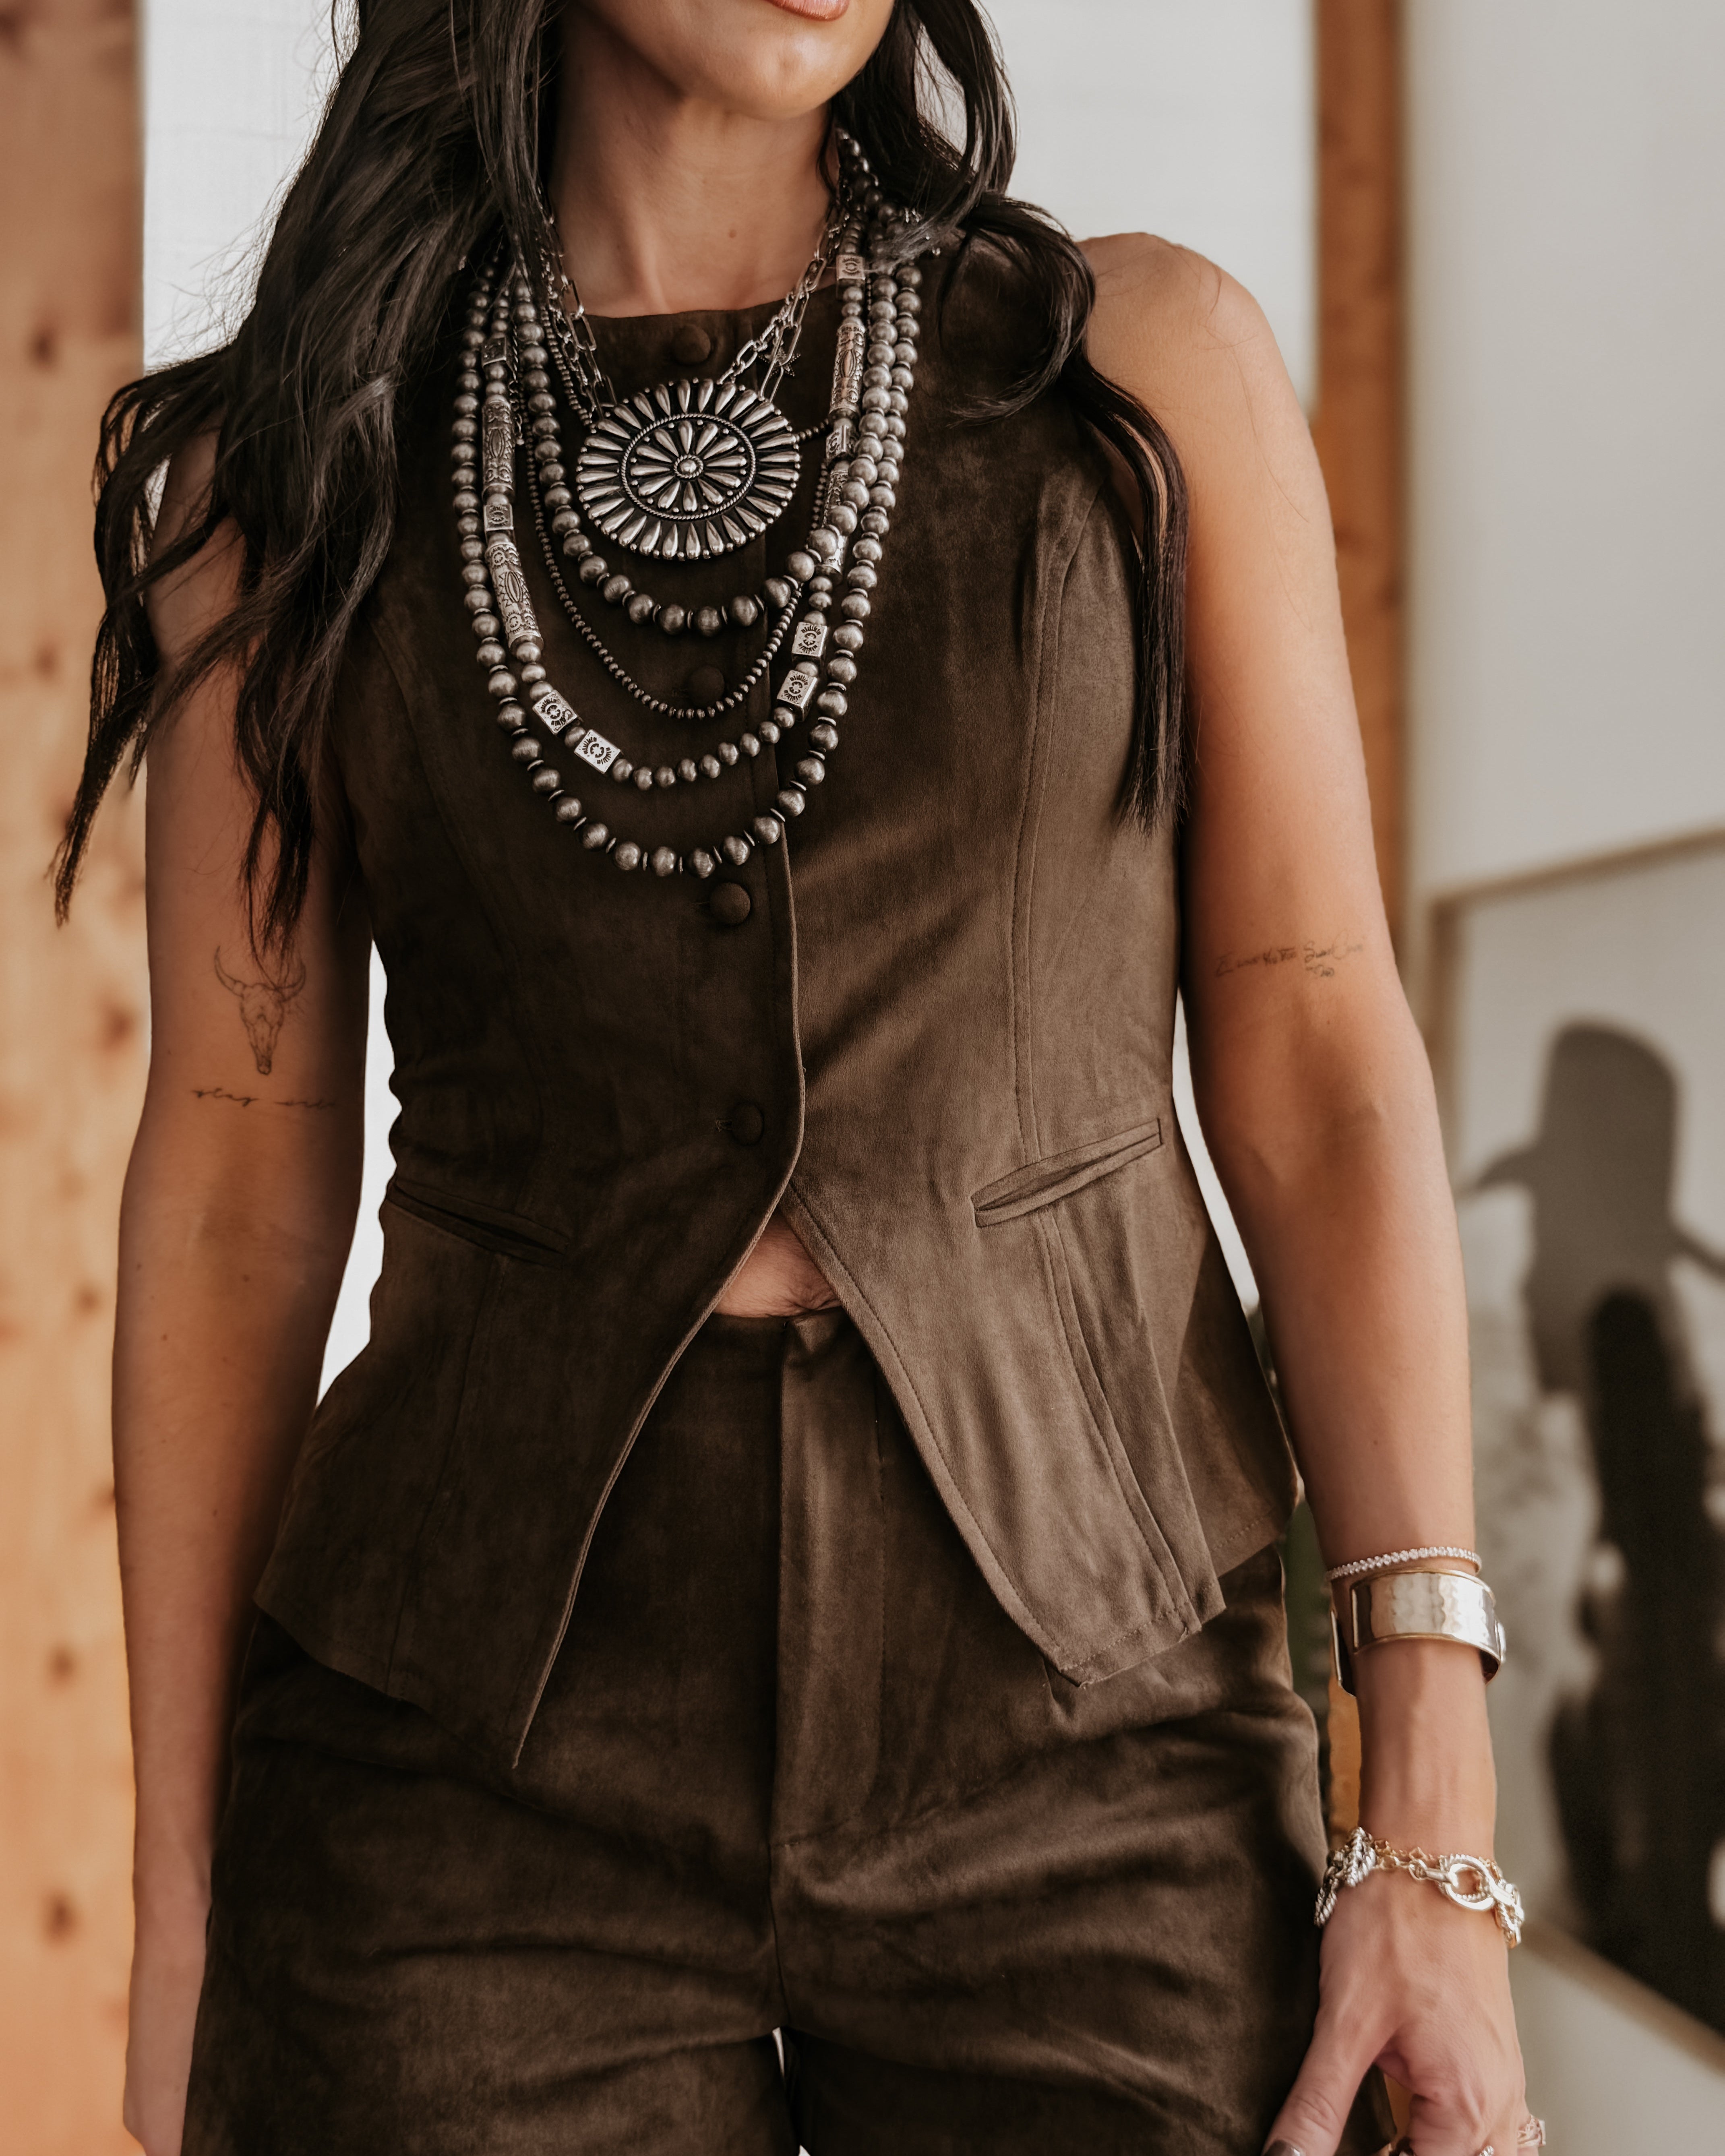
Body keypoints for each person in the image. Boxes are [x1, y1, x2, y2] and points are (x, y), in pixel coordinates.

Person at [61, 4, 1533, 2152]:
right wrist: (183, 1903)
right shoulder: (290, 480)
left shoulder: (1143, 373)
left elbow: (1312, 1052)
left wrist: (1433, 1820)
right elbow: (226, 1183)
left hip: (1096, 1742)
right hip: (457, 1790)